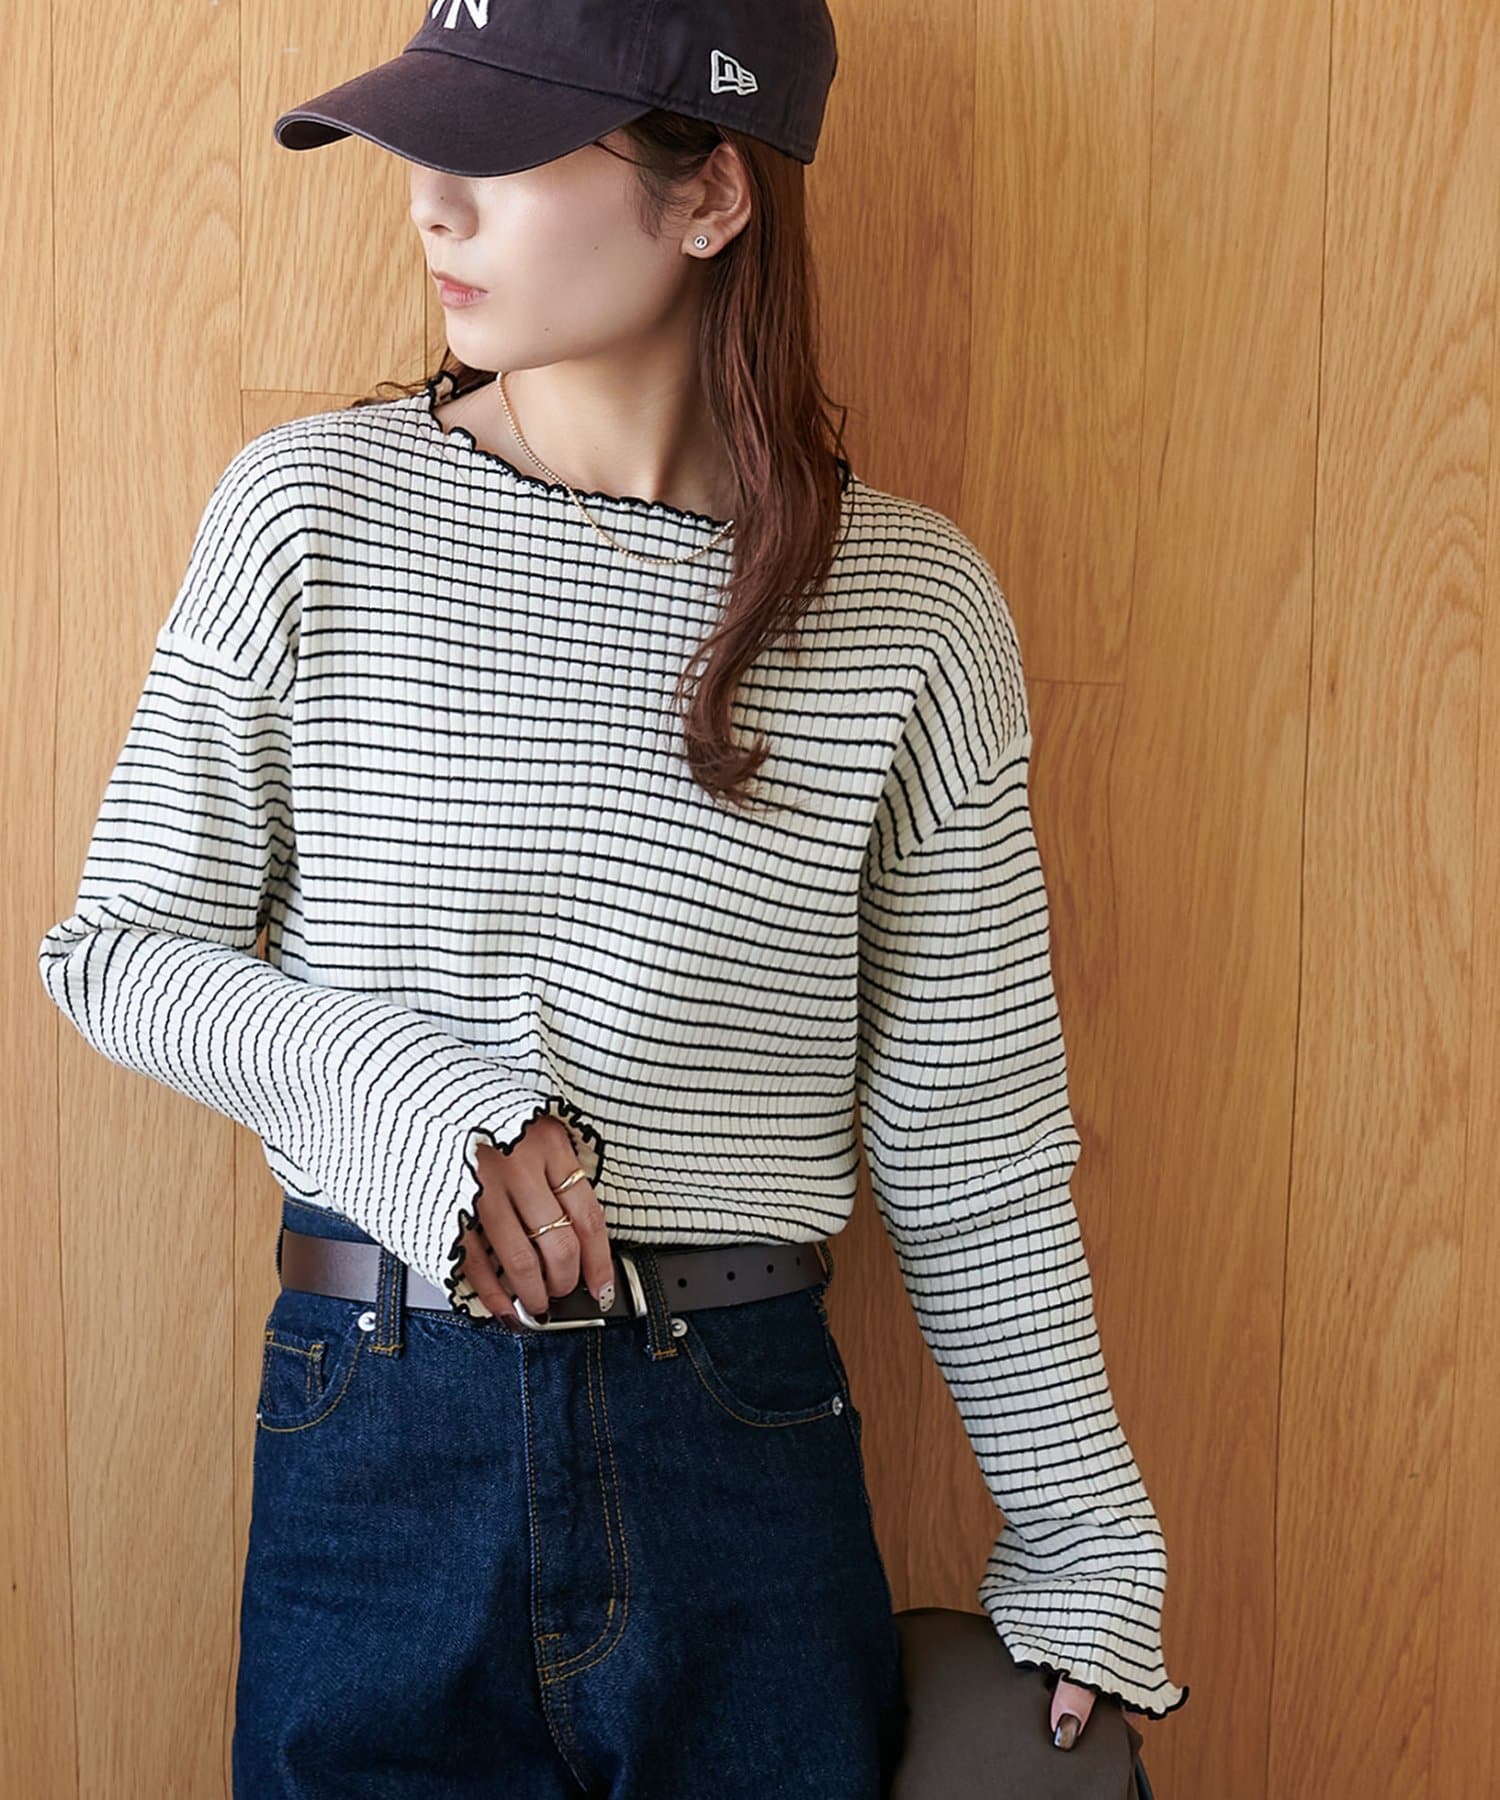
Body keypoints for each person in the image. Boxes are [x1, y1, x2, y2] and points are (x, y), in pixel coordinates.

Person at [36, 1, 1188, 1793]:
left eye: (499, 151)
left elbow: (971, 1135)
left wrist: (1083, 1540)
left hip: (742, 1443)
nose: (430, 204)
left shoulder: (915, 612)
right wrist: (409, 1095)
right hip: (378, 1431)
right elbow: (116, 952)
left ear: (711, 193)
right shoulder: (307, 512)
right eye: (425, 148)